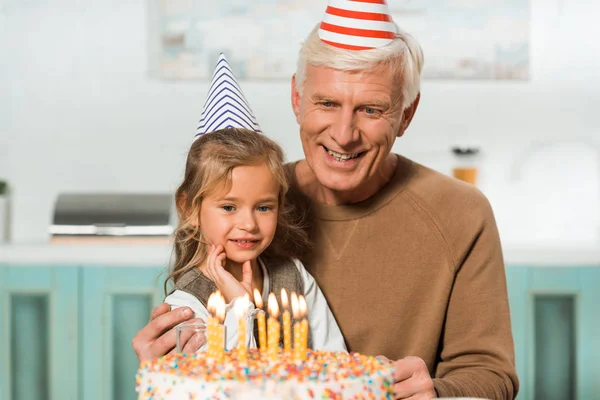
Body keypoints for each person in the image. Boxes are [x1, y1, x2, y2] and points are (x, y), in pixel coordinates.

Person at [133, 2, 519, 398]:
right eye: (327, 103)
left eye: (371, 109)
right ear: (297, 99)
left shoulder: (459, 212)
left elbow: (491, 376)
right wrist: (164, 372)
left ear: (406, 113)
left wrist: (438, 392)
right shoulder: (245, 204)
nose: (344, 134)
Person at [157, 53, 346, 353]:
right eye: (229, 207)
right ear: (189, 209)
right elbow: (217, 386)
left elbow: (335, 359)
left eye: (263, 207)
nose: (249, 224)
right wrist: (240, 308)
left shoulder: (295, 277)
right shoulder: (186, 305)